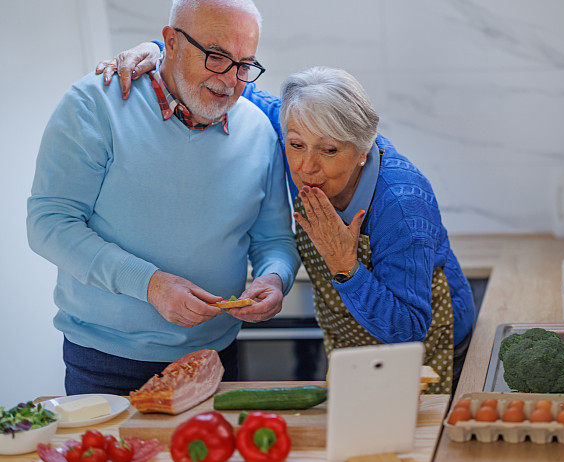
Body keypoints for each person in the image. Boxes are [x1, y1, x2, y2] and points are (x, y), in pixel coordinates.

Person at [99, 61, 475, 396]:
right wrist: (157, 53)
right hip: (350, 347)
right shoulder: (298, 123)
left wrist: (345, 265)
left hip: (429, 349)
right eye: (296, 145)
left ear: (363, 149)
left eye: (329, 151)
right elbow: (230, 81)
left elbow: (408, 328)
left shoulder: (402, 204)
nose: (307, 168)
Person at [27, 0, 301, 396]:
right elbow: (49, 224)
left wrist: (275, 278)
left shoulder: (259, 131)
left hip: (216, 359)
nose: (230, 80)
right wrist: (150, 284)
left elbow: (275, 238)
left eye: (244, 64)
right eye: (215, 57)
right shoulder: (94, 105)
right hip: (106, 364)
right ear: (170, 42)